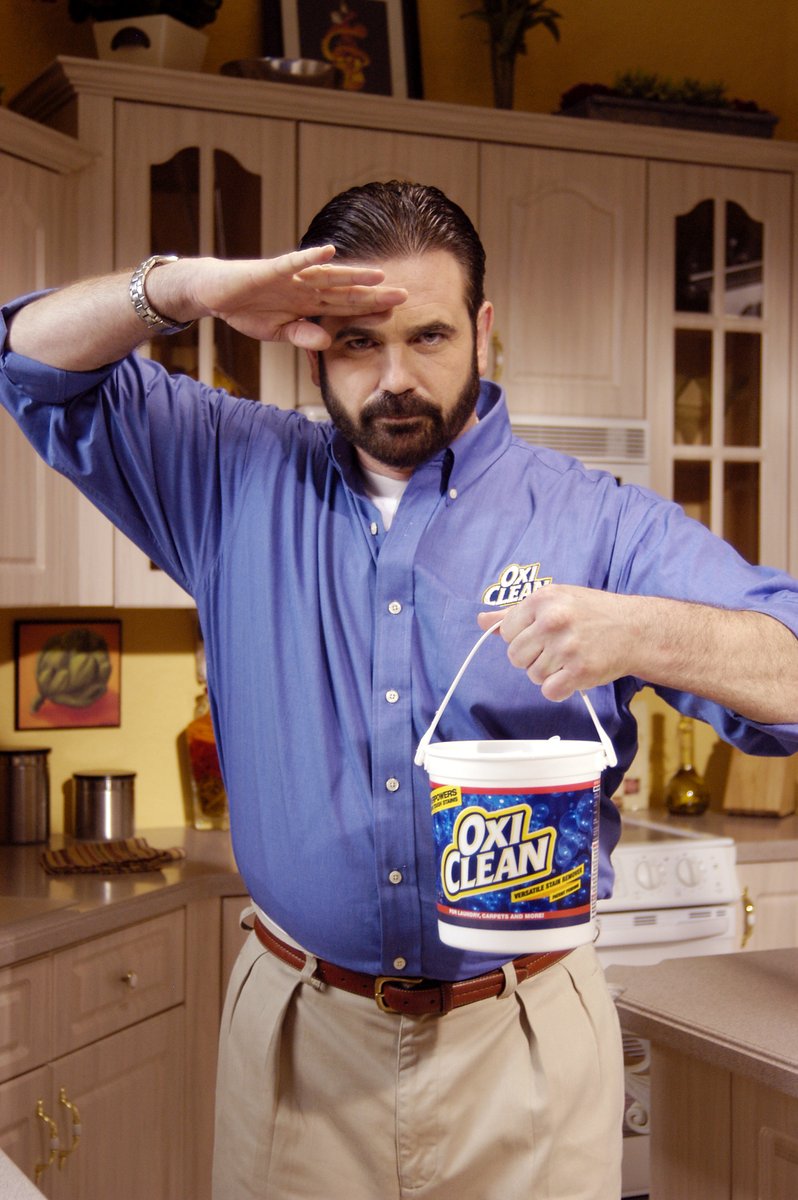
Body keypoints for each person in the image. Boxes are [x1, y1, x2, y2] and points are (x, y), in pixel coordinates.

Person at [2, 180, 798, 1200]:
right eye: (355, 343)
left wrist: (638, 627)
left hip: (528, 1045)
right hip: (297, 1042)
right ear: (308, 340)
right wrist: (189, 287)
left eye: (429, 338)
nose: (395, 381)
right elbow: (29, 359)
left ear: (484, 329)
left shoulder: (600, 523)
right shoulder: (224, 474)